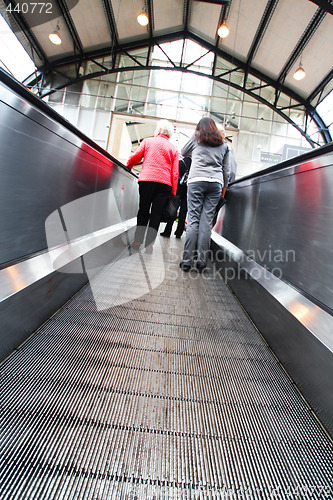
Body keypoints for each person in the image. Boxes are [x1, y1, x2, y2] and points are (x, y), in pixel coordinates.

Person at [179, 117, 230, 272]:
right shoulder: (223, 143)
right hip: (216, 183)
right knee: (206, 222)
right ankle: (202, 262)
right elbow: (226, 170)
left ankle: (187, 261)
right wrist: (224, 189)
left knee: (193, 219)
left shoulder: (197, 137)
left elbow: (183, 152)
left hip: (196, 181)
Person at [126, 119, 179, 252]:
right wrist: (173, 191)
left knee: (143, 210)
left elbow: (135, 157)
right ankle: (149, 246)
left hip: (147, 180)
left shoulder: (148, 141)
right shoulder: (173, 149)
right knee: (156, 214)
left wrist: (129, 166)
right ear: (169, 134)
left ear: (158, 130)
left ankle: (137, 242)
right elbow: (175, 172)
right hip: (164, 185)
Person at [160, 156, 191, 239]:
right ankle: (179, 233)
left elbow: (174, 174)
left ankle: (167, 231)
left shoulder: (181, 162)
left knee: (173, 209)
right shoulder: (196, 164)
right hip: (188, 189)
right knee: (184, 211)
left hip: (178, 188)